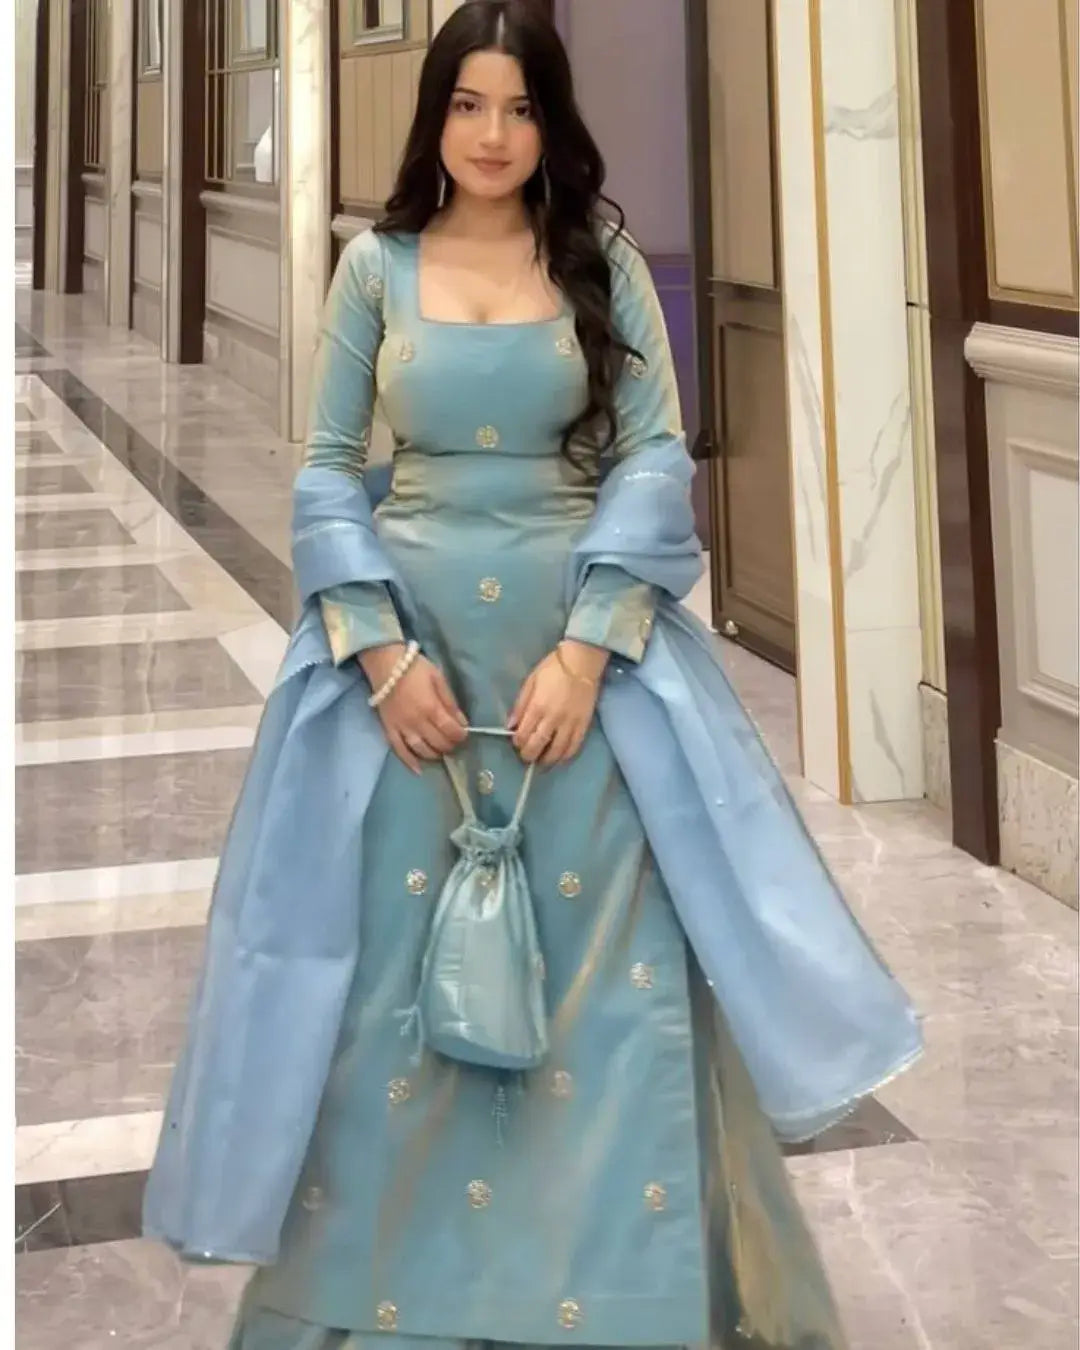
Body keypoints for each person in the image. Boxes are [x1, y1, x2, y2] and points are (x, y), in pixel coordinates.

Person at [142, 4, 924, 1347]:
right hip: (416, 676)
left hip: (581, 672)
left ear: (552, 122)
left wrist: (587, 648)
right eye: (468, 106)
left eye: (520, 108)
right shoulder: (376, 268)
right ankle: (397, 1290)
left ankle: (617, 1291)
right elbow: (329, 469)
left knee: (604, 982)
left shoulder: (597, 259)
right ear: (433, 115)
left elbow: (656, 457)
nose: (494, 135)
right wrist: (382, 660)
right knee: (388, 979)